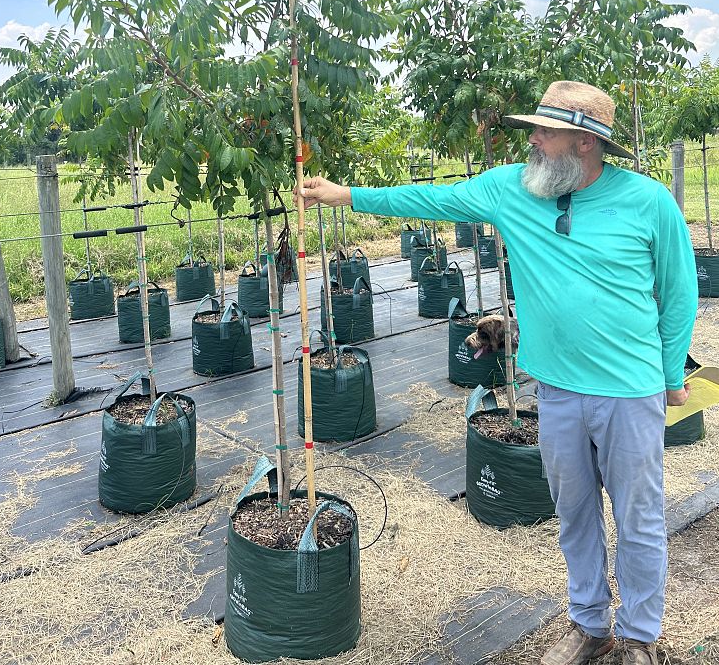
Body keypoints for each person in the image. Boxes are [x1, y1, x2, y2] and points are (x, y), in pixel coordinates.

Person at [297, 80, 697, 665]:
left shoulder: (648, 202)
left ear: (585, 142)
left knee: (639, 520)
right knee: (574, 514)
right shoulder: (511, 190)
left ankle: (638, 637)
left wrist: (669, 373)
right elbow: (431, 200)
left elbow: (680, 292)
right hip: (555, 391)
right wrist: (345, 195)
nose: (531, 139)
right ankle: (590, 626)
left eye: (544, 131)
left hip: (629, 393)